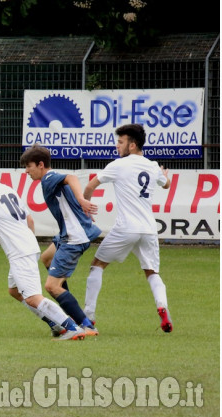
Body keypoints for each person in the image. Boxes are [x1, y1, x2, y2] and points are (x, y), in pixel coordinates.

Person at [0, 155, 86, 341]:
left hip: (20, 252)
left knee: (33, 297)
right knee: (15, 291)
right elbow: (30, 219)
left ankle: (71, 327)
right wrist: (28, 242)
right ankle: (55, 324)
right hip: (27, 246)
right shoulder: (7, 189)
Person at [83, 123, 172, 332]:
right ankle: (163, 308)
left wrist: (85, 209)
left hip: (126, 228)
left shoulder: (118, 165)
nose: (117, 146)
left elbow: (90, 186)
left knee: (96, 266)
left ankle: (88, 317)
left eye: (120, 142)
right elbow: (166, 184)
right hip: (149, 229)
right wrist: (163, 175)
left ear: (132, 145)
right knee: (152, 272)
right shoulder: (152, 165)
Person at [20, 145, 100, 336]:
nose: (26, 171)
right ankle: (70, 314)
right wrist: (80, 209)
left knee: (51, 287)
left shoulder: (48, 178)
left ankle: (87, 325)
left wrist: (81, 199)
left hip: (74, 238)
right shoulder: (50, 178)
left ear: (40, 164)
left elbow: (72, 178)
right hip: (69, 234)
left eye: (29, 166)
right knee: (47, 258)